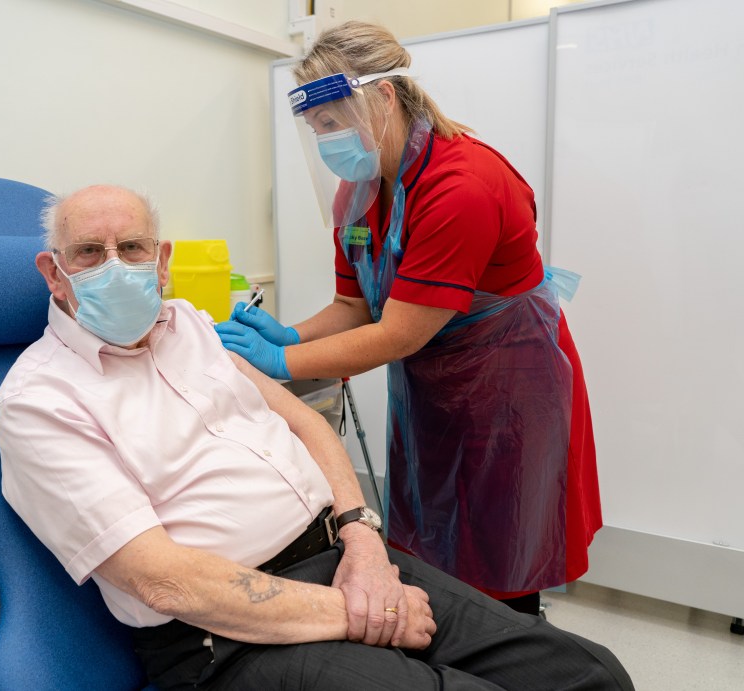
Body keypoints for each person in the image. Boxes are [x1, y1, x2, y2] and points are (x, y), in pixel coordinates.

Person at [0, 184, 632, 690]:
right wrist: (361, 613)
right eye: (89, 253)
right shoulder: (40, 402)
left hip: (343, 557)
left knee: (588, 674)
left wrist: (362, 536)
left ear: (162, 263)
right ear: (54, 273)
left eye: (132, 248)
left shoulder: (184, 323)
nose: (114, 266)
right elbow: (164, 582)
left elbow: (301, 420)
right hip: (225, 635)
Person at [215, 21, 601, 615]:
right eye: (315, 127)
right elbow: (355, 307)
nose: (324, 139)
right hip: (431, 384)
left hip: (505, 385)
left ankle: (515, 647)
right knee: (431, 534)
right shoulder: (360, 191)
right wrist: (292, 333)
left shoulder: (461, 185)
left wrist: (280, 361)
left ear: (383, 98)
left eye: (331, 120)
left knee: (502, 547)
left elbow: (398, 333)